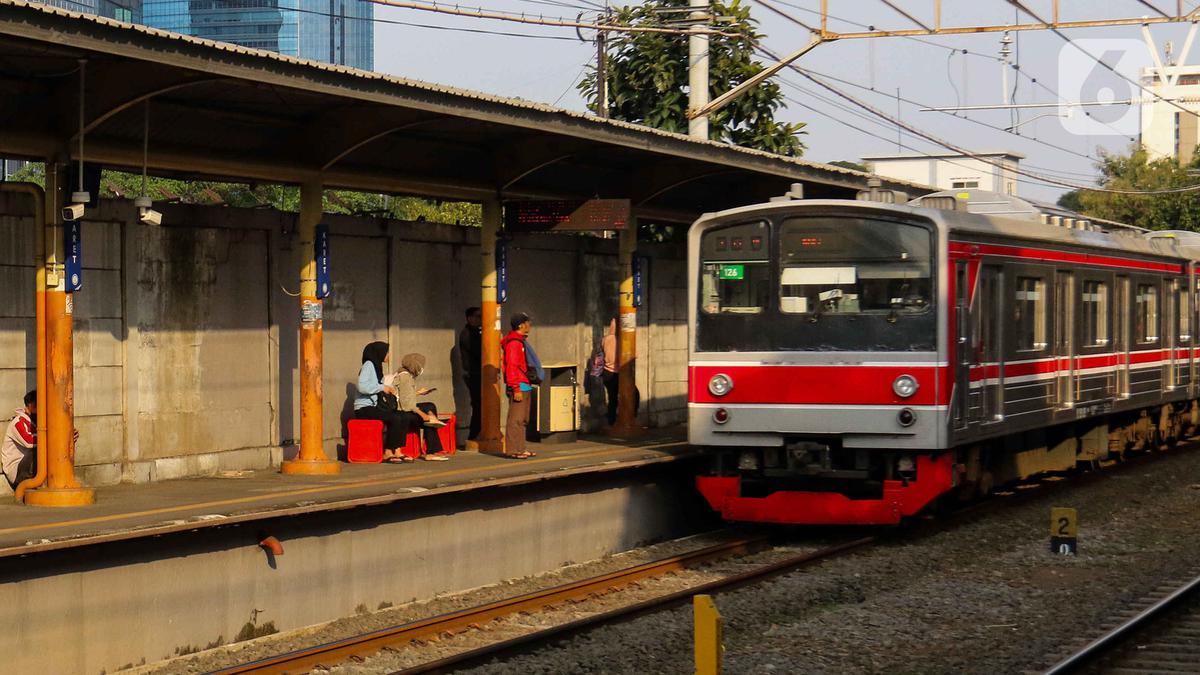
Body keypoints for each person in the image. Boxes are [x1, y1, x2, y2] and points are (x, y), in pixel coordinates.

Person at [353, 342, 413, 463]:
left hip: (375, 406)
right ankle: (387, 452)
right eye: (387, 352)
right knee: (394, 418)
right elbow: (362, 386)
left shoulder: (377, 366)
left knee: (403, 415)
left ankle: (397, 450)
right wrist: (382, 388)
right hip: (364, 408)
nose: (388, 355)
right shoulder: (368, 365)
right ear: (379, 353)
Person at [393, 353, 448, 461]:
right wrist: (423, 415)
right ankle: (431, 452)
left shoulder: (404, 375)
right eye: (421, 366)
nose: (422, 369)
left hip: (403, 408)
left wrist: (417, 393)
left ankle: (433, 447)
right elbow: (406, 404)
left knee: (429, 406)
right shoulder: (405, 378)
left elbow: (403, 396)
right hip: (402, 412)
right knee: (429, 420)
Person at [497, 312, 536, 459]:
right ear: (521, 325)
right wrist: (516, 388)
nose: (530, 325)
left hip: (524, 384)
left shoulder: (520, 342)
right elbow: (512, 367)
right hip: (519, 384)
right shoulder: (514, 343)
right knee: (515, 419)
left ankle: (521, 448)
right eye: (528, 323)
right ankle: (514, 450)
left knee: (523, 418)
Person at [601, 317, 640, 426]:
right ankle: (631, 418)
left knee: (612, 398)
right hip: (620, 374)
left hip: (607, 374)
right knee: (634, 395)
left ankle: (611, 422)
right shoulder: (625, 339)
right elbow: (635, 355)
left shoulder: (606, 339)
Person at [2, 390, 37, 488]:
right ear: (31, 405)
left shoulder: (35, 422)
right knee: (39, 450)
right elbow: (30, 442)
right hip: (17, 472)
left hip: (28, 468)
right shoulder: (19, 422)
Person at [458, 306, 482, 441]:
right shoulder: (467, 334)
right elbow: (479, 352)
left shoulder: (476, 333)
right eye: (478, 317)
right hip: (474, 373)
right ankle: (474, 435)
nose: (481, 320)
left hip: (477, 372)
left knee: (480, 405)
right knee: (478, 405)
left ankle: (476, 433)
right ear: (470, 318)